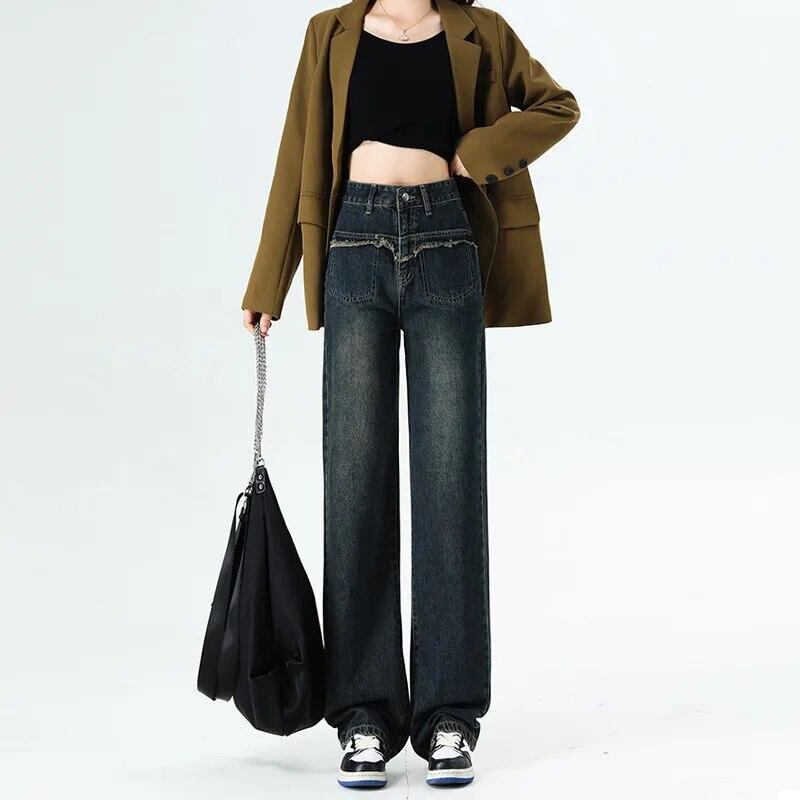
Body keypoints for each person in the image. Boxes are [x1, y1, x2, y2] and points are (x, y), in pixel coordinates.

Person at [241, 0, 579, 788]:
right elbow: (298, 154)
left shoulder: (480, 30)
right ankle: (363, 715)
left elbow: (557, 106)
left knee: (449, 484)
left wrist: (474, 155)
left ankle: (449, 717)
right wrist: (269, 280)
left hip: (447, 245)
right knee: (355, 485)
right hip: (353, 249)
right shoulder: (329, 32)